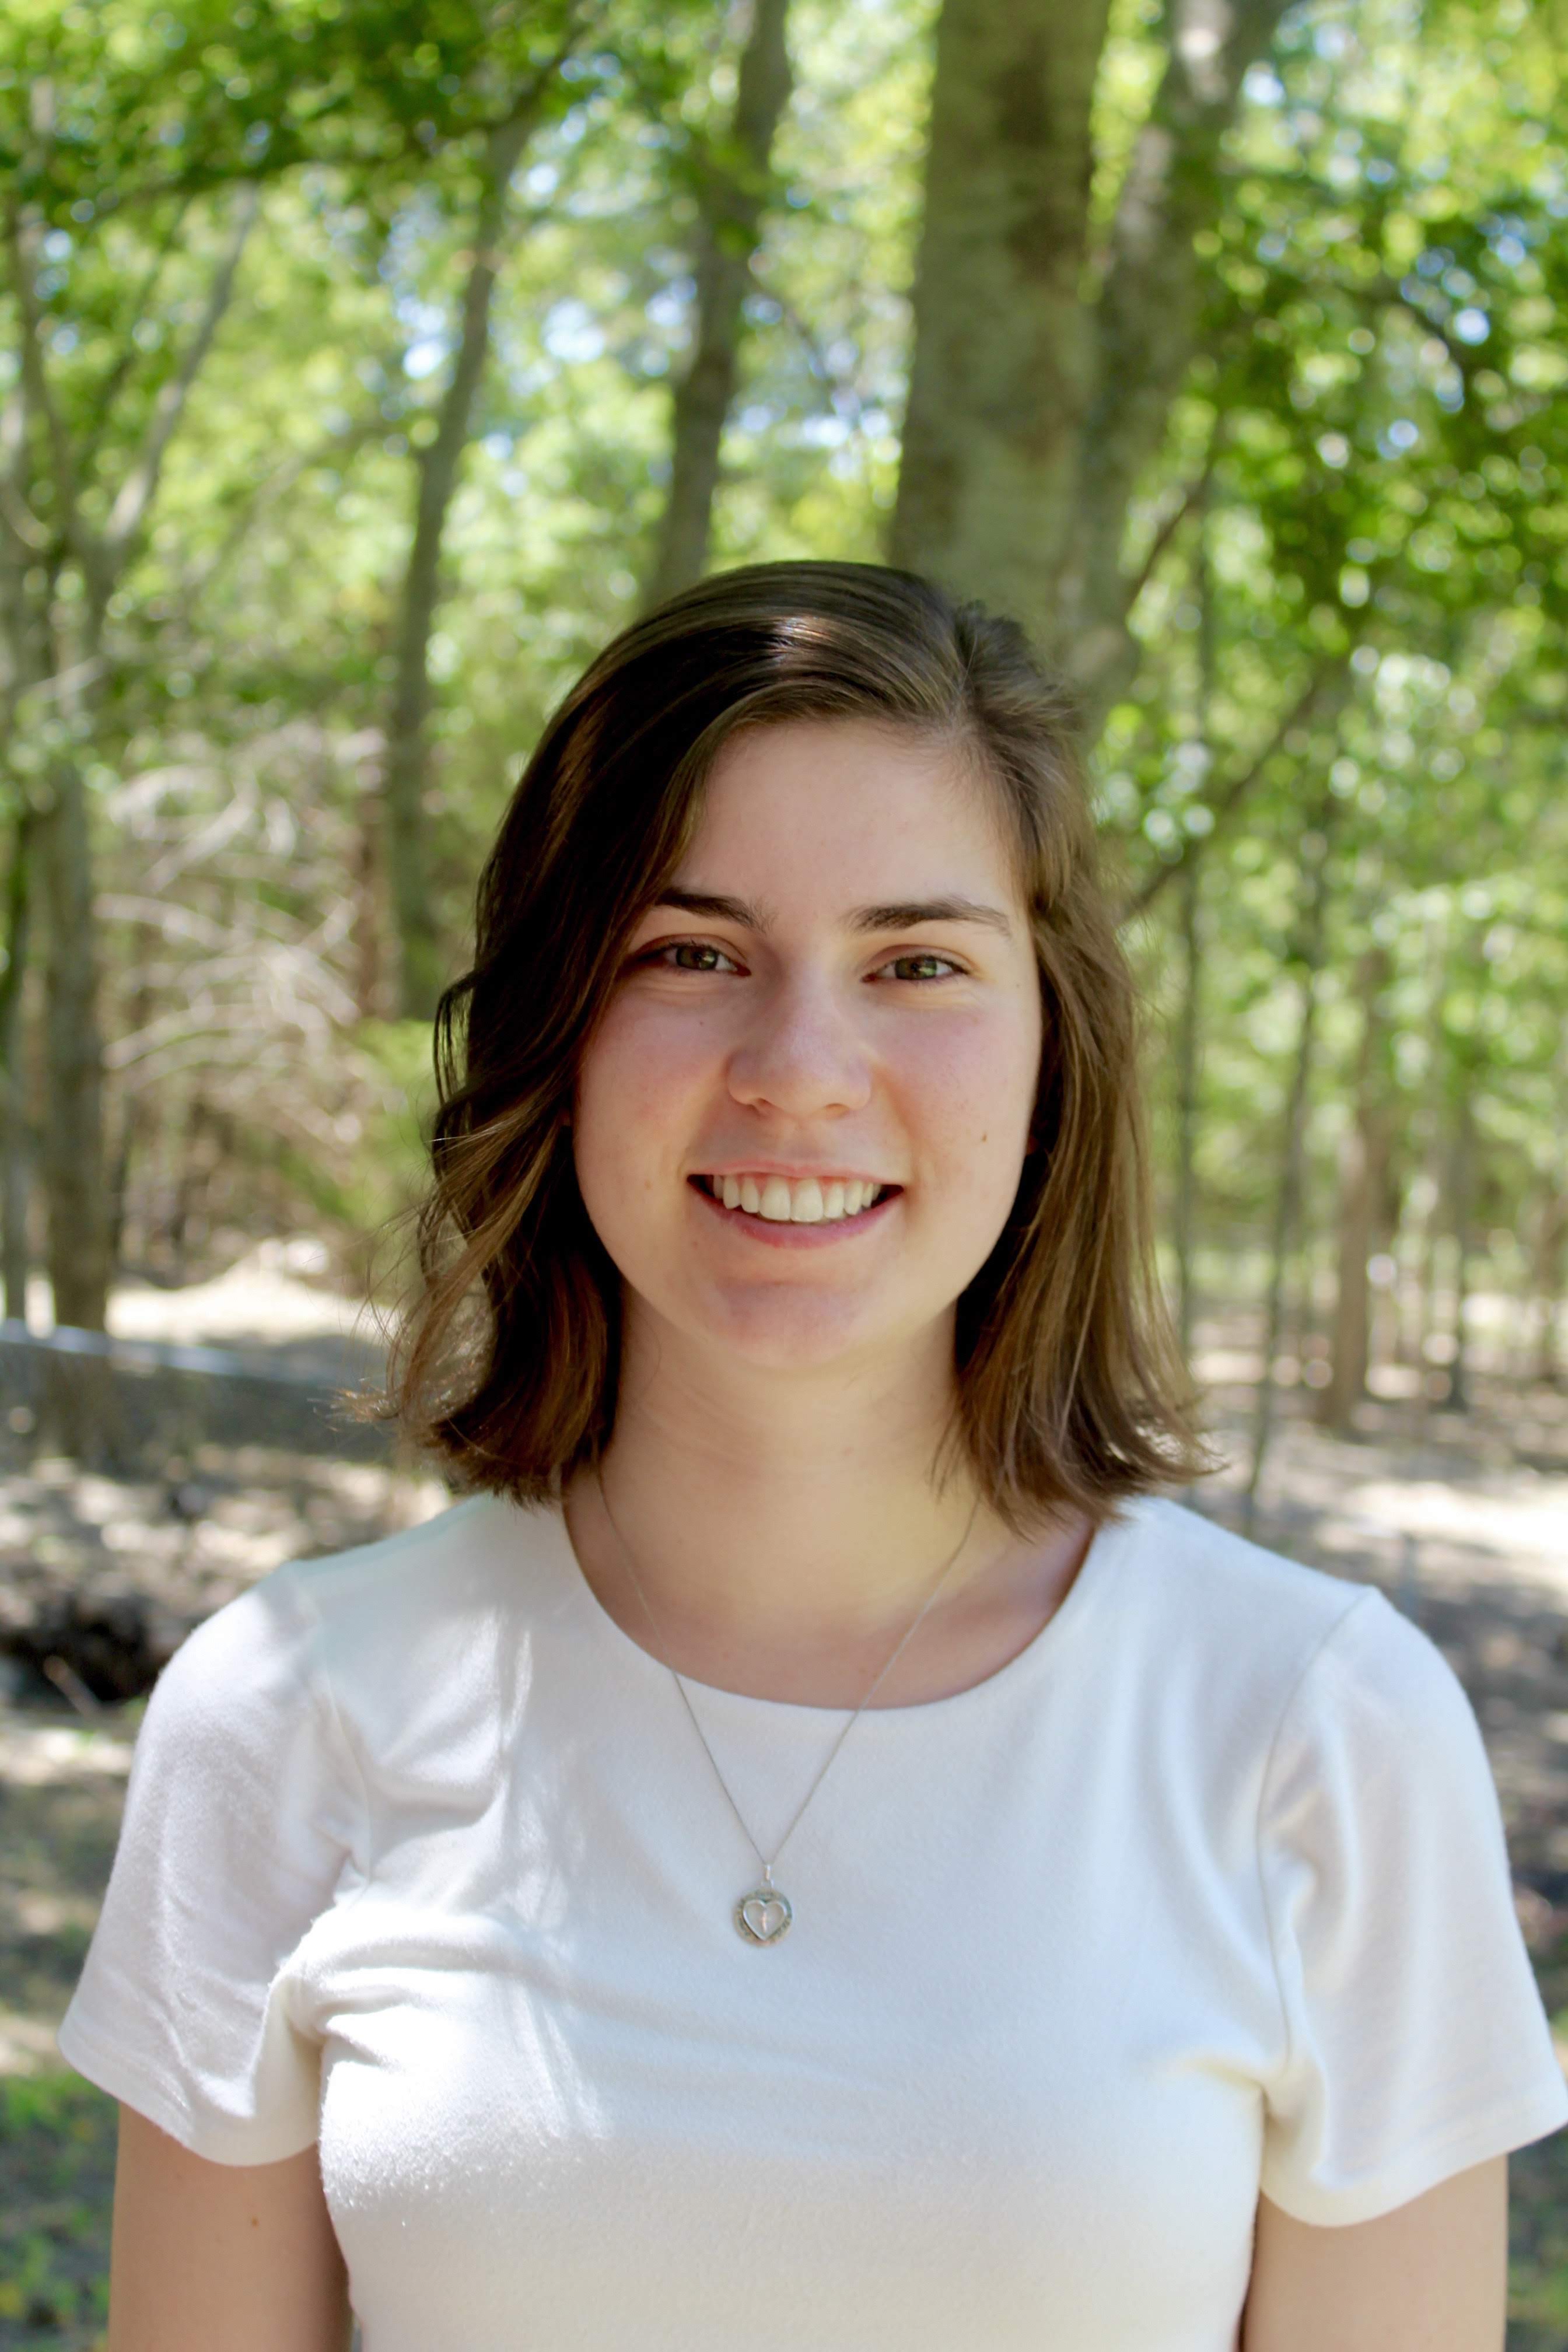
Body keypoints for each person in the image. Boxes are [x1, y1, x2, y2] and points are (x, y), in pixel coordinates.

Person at [62, 562, 1565, 2351]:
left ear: (1053, 1050)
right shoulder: (283, 1715)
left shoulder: (1317, 1736)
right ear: (560, 1029)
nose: (799, 1067)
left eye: (916, 962)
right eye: (693, 954)